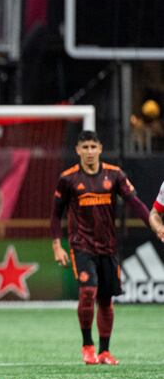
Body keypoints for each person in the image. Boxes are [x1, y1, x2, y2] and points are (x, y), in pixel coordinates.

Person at [51, 130, 155, 365]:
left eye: (92, 147)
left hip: (108, 246)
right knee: (88, 292)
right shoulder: (68, 179)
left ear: (100, 149)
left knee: (106, 300)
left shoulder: (114, 174)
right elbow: (55, 216)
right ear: (78, 150)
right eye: (84, 147)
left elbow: (135, 203)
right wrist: (57, 246)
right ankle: (88, 346)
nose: (89, 152)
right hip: (81, 246)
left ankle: (105, 351)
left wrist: (155, 225)